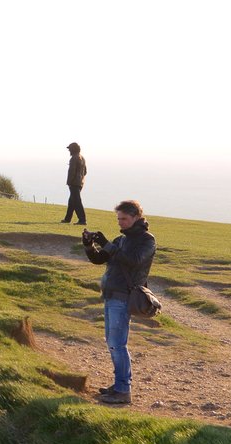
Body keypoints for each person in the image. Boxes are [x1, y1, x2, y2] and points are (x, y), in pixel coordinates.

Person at [82, 200, 156, 404]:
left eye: (123, 219)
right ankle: (119, 386)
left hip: (124, 297)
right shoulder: (120, 240)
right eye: (118, 219)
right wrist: (89, 246)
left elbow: (133, 261)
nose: (120, 223)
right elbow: (99, 259)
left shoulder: (146, 240)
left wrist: (107, 244)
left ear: (136, 218)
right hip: (111, 295)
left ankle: (124, 391)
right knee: (113, 343)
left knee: (117, 344)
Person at [62, 142, 88, 225]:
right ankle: (67, 219)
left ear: (73, 149)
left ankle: (82, 220)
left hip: (74, 183)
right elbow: (85, 171)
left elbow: (71, 172)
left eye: (69, 149)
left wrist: (69, 182)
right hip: (80, 182)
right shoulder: (82, 158)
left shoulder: (74, 158)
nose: (69, 150)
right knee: (72, 201)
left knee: (76, 201)